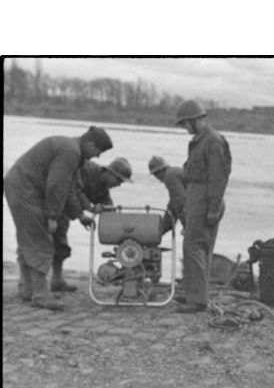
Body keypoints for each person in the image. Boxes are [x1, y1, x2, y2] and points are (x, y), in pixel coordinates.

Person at [4, 126, 113, 310]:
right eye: (98, 151)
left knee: (28, 239)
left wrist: (79, 215)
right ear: (90, 144)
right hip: (25, 190)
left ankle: (27, 289)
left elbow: (69, 189)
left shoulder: (72, 150)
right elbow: (56, 186)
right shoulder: (70, 152)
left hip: (21, 186)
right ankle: (40, 295)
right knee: (41, 240)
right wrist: (52, 216)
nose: (97, 157)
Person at [174, 100, 232, 313]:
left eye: (184, 124)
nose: (184, 129)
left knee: (194, 247)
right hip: (197, 200)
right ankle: (195, 294)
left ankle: (197, 300)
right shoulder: (200, 141)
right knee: (196, 248)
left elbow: (218, 179)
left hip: (206, 200)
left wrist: (213, 209)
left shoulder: (213, 141)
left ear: (194, 120)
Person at [51, 157, 133, 292]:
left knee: (60, 245)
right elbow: (73, 192)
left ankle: (56, 279)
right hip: (55, 203)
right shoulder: (86, 169)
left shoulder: (103, 188)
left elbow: (109, 210)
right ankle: (34, 283)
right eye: (119, 180)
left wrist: (126, 231)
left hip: (66, 210)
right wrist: (87, 210)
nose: (119, 185)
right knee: (44, 243)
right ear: (109, 172)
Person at [147, 156, 186, 234]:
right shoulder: (173, 173)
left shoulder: (169, 176)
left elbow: (180, 201)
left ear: (157, 173)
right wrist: (160, 230)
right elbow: (172, 206)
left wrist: (186, 225)